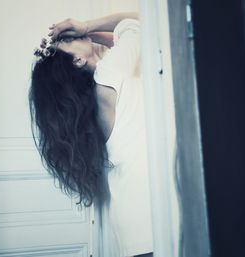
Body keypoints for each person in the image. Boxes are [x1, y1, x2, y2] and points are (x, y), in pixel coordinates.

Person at [29, 12, 153, 257]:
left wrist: (83, 35)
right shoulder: (108, 75)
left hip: (134, 218)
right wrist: (85, 26)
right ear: (76, 61)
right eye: (66, 41)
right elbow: (142, 23)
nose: (73, 36)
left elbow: (142, 31)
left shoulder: (97, 94)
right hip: (149, 212)